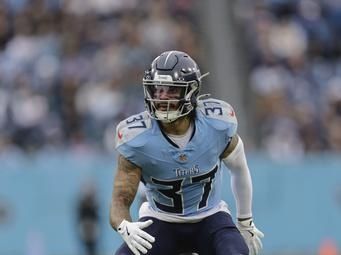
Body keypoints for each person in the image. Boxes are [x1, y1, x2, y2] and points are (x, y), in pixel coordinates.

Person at [110, 50, 264, 255]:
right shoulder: (137, 138)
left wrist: (245, 220)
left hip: (210, 217)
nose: (162, 97)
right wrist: (124, 225)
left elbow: (239, 168)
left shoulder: (216, 125)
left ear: (191, 92)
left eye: (171, 90)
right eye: (157, 90)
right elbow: (119, 200)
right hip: (162, 220)